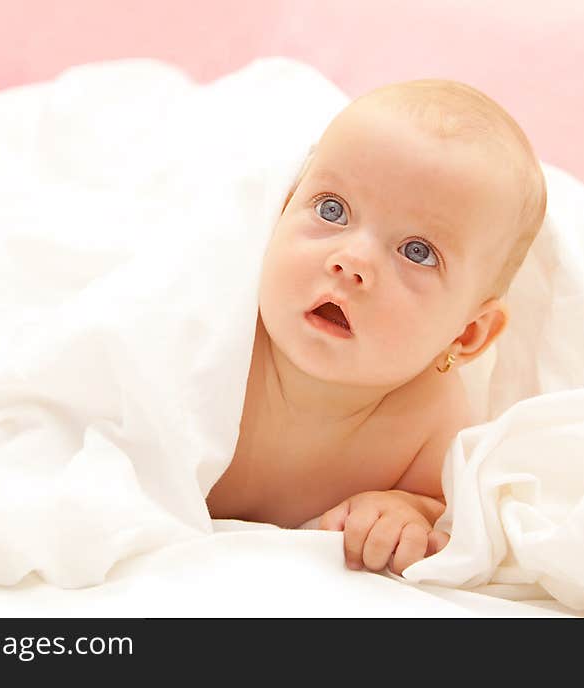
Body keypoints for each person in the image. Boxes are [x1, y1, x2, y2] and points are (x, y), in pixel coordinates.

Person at [206, 79, 547, 577]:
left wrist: (405, 509)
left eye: (417, 251)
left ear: (466, 335)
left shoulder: (429, 421)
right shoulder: (221, 331)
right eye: (332, 210)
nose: (352, 261)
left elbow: (440, 507)